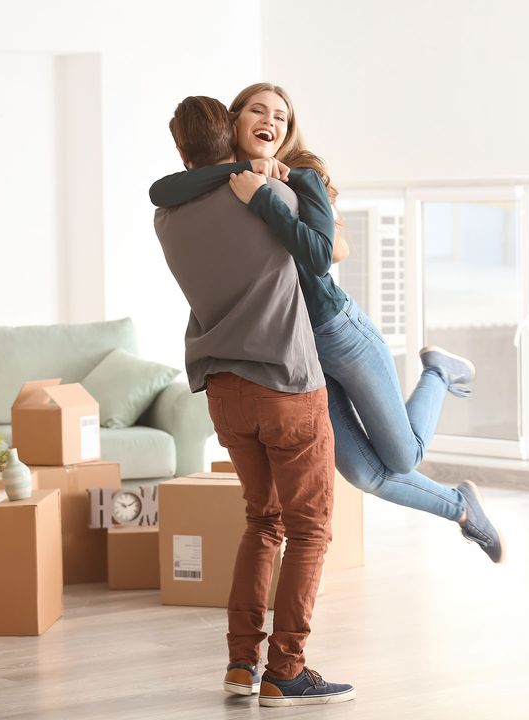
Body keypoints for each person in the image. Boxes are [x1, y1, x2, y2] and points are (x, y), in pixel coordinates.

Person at [150, 83, 505, 563]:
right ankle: (463, 509)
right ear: (234, 121)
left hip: (337, 331)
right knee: (364, 474)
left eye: (281, 116)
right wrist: (243, 170)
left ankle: (438, 371)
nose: (270, 121)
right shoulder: (222, 182)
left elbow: (321, 257)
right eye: (258, 111)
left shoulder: (301, 177)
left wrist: (264, 199)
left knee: (403, 458)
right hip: (293, 355)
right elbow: (161, 190)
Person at [153, 95, 356, 708]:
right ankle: (286, 670)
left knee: (261, 522)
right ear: (232, 136)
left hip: (224, 392)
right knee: (311, 530)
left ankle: (242, 663)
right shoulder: (273, 199)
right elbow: (329, 251)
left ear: (183, 150)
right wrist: (291, 180)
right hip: (287, 384)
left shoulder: (167, 219)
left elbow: (169, 188)